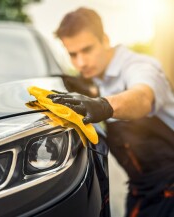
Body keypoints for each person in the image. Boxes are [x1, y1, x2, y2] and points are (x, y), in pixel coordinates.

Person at [47, 7, 174, 217]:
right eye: (72, 54)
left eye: (87, 50)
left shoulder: (139, 66)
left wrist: (103, 106)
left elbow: (142, 96)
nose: (81, 62)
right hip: (141, 189)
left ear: (105, 39)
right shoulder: (96, 79)